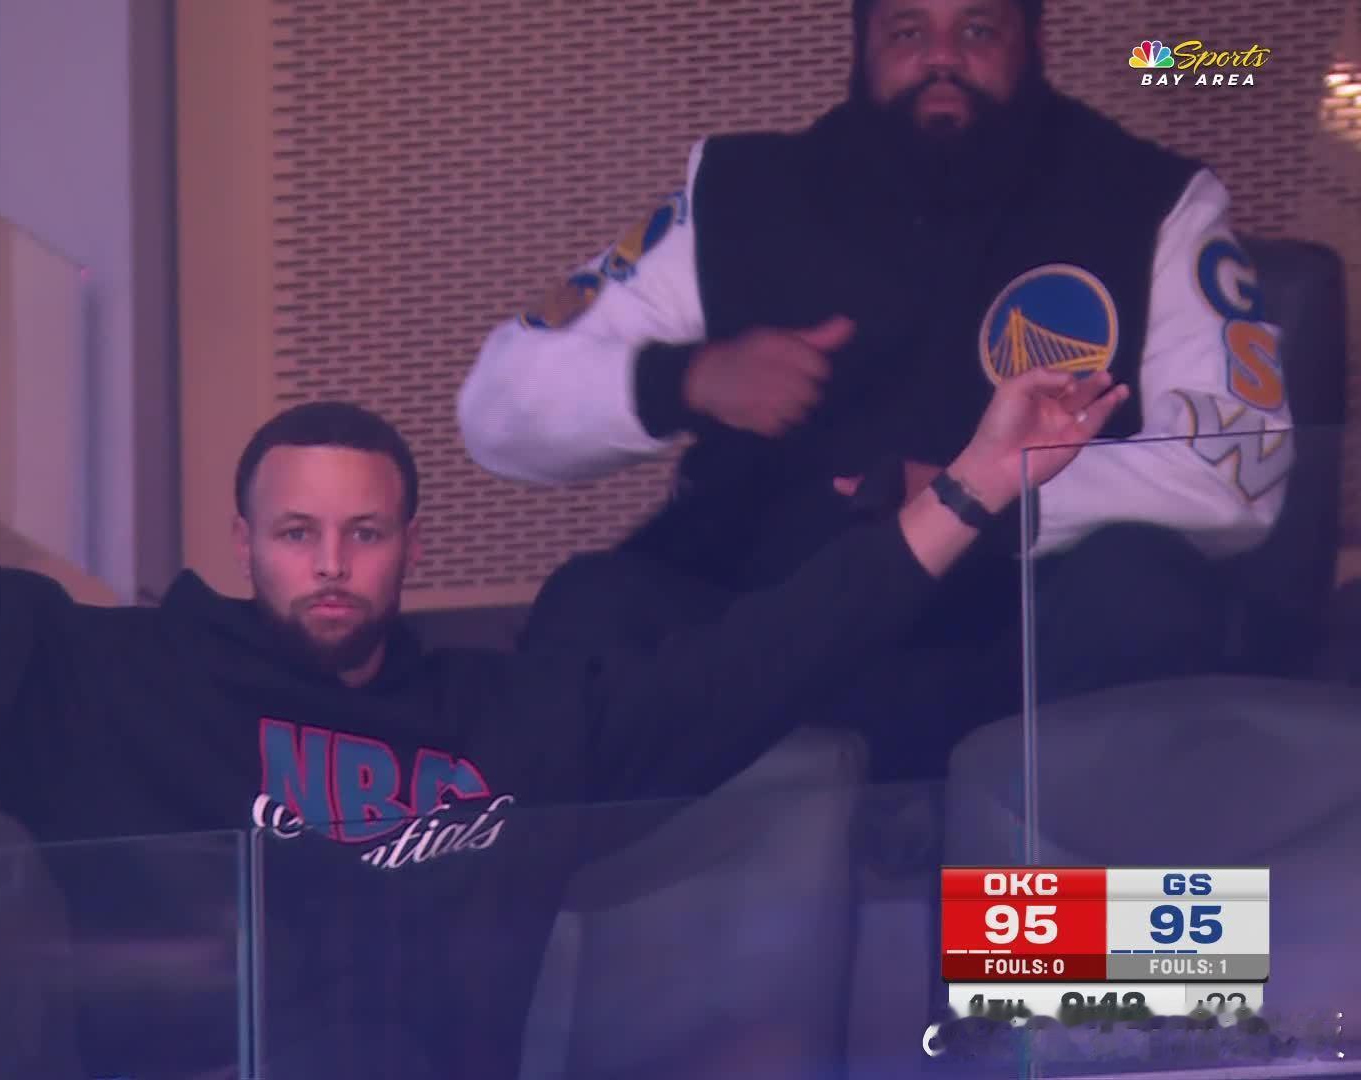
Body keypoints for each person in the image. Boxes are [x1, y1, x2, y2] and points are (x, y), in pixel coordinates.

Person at [0, 223, 1124, 1077]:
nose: (331, 564)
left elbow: (765, 661)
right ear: (245, 542)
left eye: (364, 533)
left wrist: (977, 485)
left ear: (410, 550)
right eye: (298, 534)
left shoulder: (509, 728)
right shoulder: (124, 691)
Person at [457, 0, 1294, 780]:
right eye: (906, 32)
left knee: (1146, 594)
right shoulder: (743, 194)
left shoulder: (1151, 201)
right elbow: (496, 408)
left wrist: (984, 495)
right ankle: (646, 888)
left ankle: (1035, 895)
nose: (941, 58)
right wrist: (688, 379)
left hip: (1017, 658)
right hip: (767, 645)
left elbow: (1238, 464)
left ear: (1036, 43)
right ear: (862, 47)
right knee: (596, 605)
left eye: (976, 31)